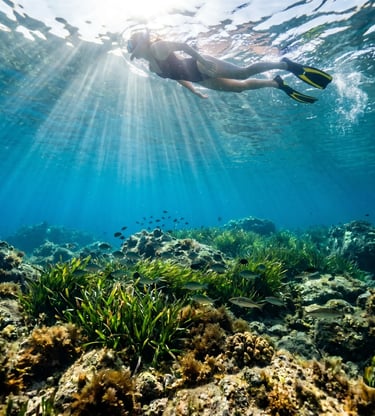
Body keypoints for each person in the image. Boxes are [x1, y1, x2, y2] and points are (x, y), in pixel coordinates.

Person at [126, 31, 332, 104]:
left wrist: (204, 61)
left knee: (242, 73)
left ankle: (286, 64)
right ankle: (276, 83)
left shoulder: (157, 48)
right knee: (239, 87)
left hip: (201, 64)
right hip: (200, 79)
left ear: (140, 46)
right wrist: (194, 90)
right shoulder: (153, 68)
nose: (134, 54)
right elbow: (175, 76)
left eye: (133, 49)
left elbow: (183, 46)